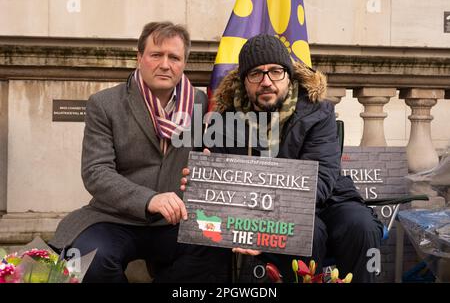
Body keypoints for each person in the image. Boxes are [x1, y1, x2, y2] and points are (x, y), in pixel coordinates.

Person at [182, 34, 384, 282]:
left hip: (329, 199)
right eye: (256, 74)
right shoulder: (225, 122)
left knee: (360, 226)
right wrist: (204, 184)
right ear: (244, 81)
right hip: (259, 210)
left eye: (275, 71)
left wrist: (266, 224)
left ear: (288, 76)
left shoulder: (318, 112)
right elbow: (224, 194)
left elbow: (321, 179)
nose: (266, 81)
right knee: (309, 234)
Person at [49, 21, 230, 283]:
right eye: (156, 55)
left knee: (216, 248)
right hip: (115, 218)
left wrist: (207, 172)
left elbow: (209, 160)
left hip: (176, 222)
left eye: (174, 57)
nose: (165, 64)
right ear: (139, 58)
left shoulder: (200, 103)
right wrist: (149, 199)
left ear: (184, 64)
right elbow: (96, 172)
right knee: (85, 259)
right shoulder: (105, 104)